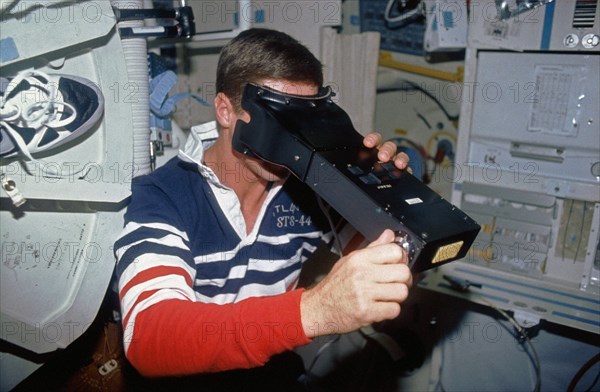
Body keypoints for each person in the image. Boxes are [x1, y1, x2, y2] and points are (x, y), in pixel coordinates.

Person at [113, 28, 413, 386]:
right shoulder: (163, 196)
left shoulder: (309, 189)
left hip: (271, 375)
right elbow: (149, 338)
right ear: (225, 110)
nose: (291, 142)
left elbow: (393, 259)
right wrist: (314, 311)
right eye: (277, 121)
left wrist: (387, 195)